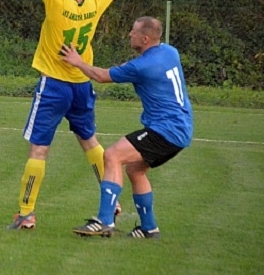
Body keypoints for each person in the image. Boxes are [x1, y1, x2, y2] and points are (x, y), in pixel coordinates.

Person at [8, 0, 125, 230]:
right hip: (82, 82)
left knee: (39, 150)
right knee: (90, 142)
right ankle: (111, 201)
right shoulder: (95, 2)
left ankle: (26, 213)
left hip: (54, 85)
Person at [61, 17, 193, 239]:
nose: (129, 35)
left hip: (166, 130)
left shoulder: (142, 66)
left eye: (133, 32)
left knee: (112, 155)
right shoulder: (170, 52)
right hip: (181, 128)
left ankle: (104, 221)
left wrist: (77, 61)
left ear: (144, 38)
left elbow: (102, 76)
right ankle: (149, 228)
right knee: (135, 169)